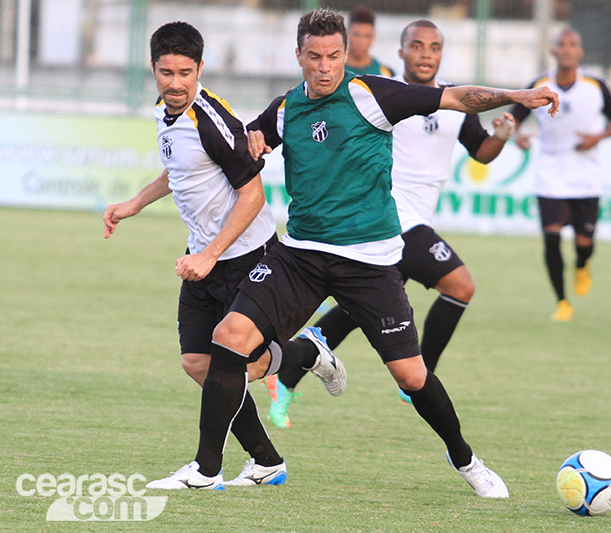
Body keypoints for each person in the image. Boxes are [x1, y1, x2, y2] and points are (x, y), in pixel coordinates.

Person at [148, 8, 558, 498]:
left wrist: (513, 96)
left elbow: (455, 97)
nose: (325, 67)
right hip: (299, 255)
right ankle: (207, 468)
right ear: (298, 55)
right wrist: (253, 139)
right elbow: (242, 145)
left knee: (411, 375)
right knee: (229, 337)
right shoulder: (285, 109)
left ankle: (467, 460)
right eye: (315, 57)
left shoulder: (370, 94)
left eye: (334, 56)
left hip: (370, 261)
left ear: (347, 54)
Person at [104, 21, 345, 489]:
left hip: (243, 257)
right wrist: (134, 204)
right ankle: (267, 460)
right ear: (153, 68)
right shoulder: (165, 111)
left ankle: (208, 467)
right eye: (165, 72)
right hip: (202, 256)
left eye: (185, 72)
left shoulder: (212, 120)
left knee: (232, 366)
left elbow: (253, 195)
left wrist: (212, 254)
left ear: (200, 69)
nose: (175, 83)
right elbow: (179, 170)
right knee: (197, 364)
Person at [269, 19, 517, 427]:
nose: (424, 54)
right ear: (400, 52)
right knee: (460, 285)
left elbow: (481, 151)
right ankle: (418, 379)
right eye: (415, 46)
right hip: (393, 218)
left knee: (357, 308)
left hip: (402, 225)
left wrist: (502, 135)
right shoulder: (381, 94)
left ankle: (292, 374)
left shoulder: (450, 104)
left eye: (433, 47)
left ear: (441, 54)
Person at [511, 27, 611, 321]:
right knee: (551, 239)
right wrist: (516, 135)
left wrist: (596, 138)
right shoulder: (539, 85)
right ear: (553, 51)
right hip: (550, 174)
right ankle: (562, 302)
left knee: (584, 244)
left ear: (580, 52)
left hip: (586, 177)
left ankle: (582, 265)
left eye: (572, 44)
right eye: (561, 44)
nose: (566, 49)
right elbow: (513, 117)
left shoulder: (595, 85)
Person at [344, 6, 394, 77]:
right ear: (346, 34)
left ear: (373, 37)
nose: (361, 41)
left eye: (367, 36)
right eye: (356, 35)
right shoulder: (333, 70)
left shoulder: (386, 74)